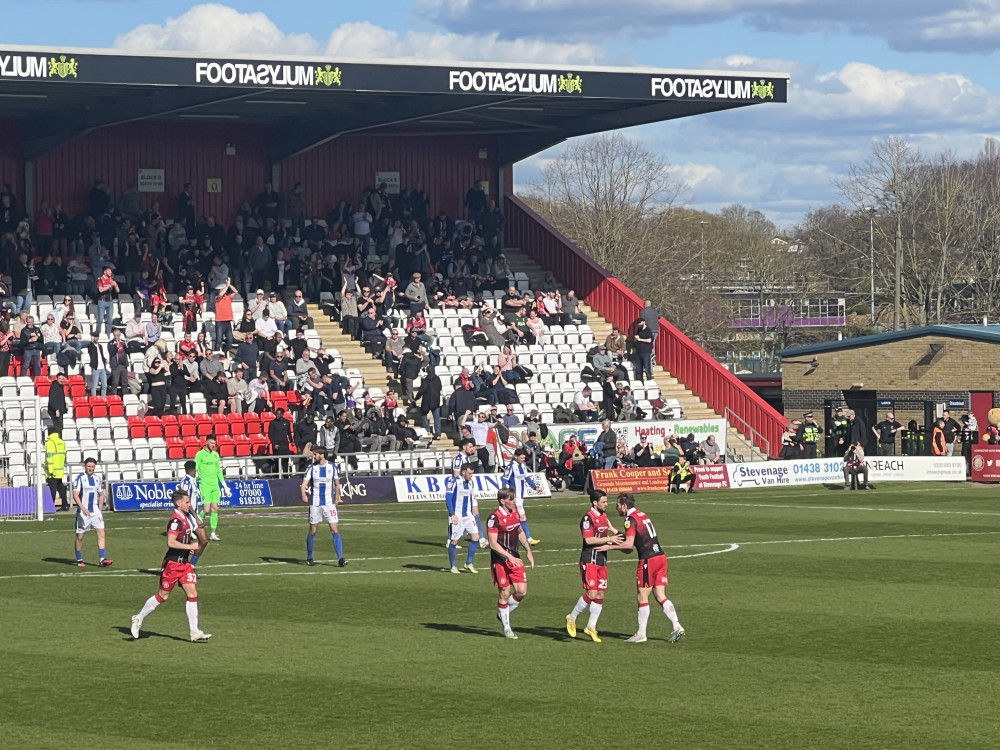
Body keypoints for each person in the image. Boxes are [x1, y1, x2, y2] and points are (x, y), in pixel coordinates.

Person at [129, 489, 212, 642]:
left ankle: (194, 631)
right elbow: (171, 542)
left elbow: (199, 529)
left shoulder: (186, 517)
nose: (189, 504)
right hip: (172, 564)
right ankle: (138, 618)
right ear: (178, 503)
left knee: (192, 594)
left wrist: (195, 517)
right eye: (187, 502)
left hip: (184, 564)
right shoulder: (175, 521)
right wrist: (190, 547)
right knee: (163, 596)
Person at [607, 493, 684, 644]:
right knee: (660, 595)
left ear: (624, 505)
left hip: (648, 560)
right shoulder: (642, 514)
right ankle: (677, 626)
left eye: (617, 505)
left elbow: (629, 545)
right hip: (661, 557)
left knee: (642, 596)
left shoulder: (630, 520)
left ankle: (641, 634)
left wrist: (608, 546)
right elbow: (635, 539)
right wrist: (613, 530)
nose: (616, 508)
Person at [566, 490, 622, 643]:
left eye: (606, 501)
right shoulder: (587, 518)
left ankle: (591, 627)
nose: (606, 504)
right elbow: (588, 540)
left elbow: (613, 529)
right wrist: (609, 538)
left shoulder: (604, 516)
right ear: (594, 503)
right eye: (603, 502)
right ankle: (572, 617)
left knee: (600, 595)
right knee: (591, 594)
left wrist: (626, 537)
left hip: (602, 559)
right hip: (589, 559)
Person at [487, 487, 535, 640]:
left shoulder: (514, 513)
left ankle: (503, 612)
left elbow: (519, 530)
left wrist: (528, 549)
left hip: (515, 557)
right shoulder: (494, 518)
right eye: (511, 499)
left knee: (521, 591)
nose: (514, 502)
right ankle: (507, 627)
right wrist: (509, 557)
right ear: (502, 501)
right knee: (505, 592)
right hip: (500, 560)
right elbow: (493, 544)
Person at [301, 446, 347, 567]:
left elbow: (337, 484)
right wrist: (304, 494)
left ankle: (341, 558)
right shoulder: (311, 468)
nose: (313, 456)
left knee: (334, 530)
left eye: (315, 454)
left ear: (321, 455)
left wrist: (337, 497)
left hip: (329, 503)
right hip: (315, 503)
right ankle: (309, 557)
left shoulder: (332, 467)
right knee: (313, 530)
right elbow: (304, 484)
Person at [73, 457, 113, 567]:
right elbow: (75, 495)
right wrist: (82, 507)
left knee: (101, 533)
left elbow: (101, 494)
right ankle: (79, 559)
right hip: (83, 512)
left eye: (92, 467)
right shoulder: (79, 479)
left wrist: (99, 510)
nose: (90, 468)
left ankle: (102, 559)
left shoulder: (97, 479)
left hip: (95, 512)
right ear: (85, 467)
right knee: (80, 536)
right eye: (89, 466)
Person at [446, 463, 483, 574]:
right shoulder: (454, 482)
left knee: (475, 537)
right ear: (463, 472)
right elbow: (448, 498)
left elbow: (471, 498)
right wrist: (452, 514)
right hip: (457, 515)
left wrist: (474, 510)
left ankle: (468, 563)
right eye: (469, 473)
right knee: (454, 541)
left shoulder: (471, 483)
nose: (471, 476)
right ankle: (453, 566)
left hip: (468, 515)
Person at [502, 449, 541, 546]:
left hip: (520, 497)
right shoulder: (511, 467)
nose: (523, 459)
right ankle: (528, 538)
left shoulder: (523, 466)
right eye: (522, 458)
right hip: (514, 498)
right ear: (516, 456)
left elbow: (527, 478)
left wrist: (535, 487)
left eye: (524, 458)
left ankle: (507, 537)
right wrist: (508, 494)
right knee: (522, 517)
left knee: (515, 518)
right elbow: (504, 479)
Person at [195, 434, 227, 542]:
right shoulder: (200, 454)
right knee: (206, 510)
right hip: (205, 485)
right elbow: (195, 469)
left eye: (214, 443)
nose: (213, 445)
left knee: (215, 509)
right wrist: (195, 483)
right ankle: (194, 526)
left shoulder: (215, 455)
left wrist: (225, 486)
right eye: (211, 443)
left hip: (215, 485)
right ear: (206, 442)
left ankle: (213, 533)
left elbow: (219, 471)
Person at [45, 427, 70, 512]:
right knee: (61, 487)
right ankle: (65, 505)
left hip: (52, 470)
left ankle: (50, 507)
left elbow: (49, 457)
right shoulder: (62, 442)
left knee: (52, 489)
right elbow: (63, 456)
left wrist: (50, 470)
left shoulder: (50, 442)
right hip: (60, 469)